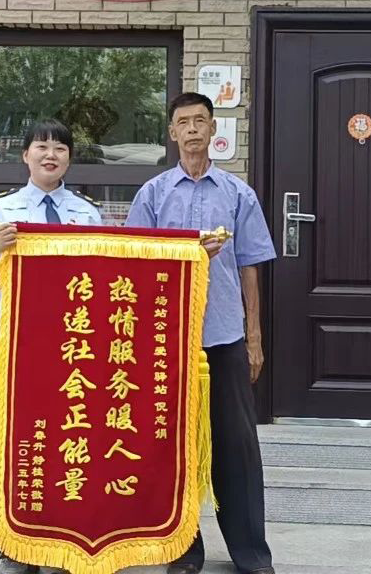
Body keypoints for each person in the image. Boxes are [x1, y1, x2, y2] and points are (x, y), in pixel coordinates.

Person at [125, 92, 276, 574]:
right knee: (172, 446)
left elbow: (251, 266)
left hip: (224, 336)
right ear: (172, 133)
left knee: (237, 446)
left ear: (214, 130)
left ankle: (251, 554)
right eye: (183, 122)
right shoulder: (152, 194)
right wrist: (188, 254)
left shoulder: (238, 194)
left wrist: (254, 337)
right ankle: (183, 550)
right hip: (167, 341)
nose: (192, 129)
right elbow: (135, 262)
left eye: (200, 121)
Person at [0, 119, 102, 574]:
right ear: (25, 155)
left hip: (73, 355)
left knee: (68, 446)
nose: (50, 154)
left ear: (69, 158)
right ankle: (14, 547)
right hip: (17, 352)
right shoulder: (1, 209)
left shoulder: (87, 213)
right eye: (41, 146)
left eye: (60, 148)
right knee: (16, 449)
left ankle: (62, 539)